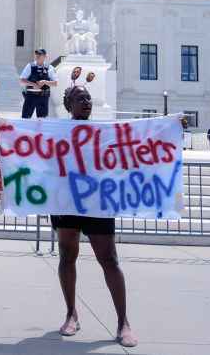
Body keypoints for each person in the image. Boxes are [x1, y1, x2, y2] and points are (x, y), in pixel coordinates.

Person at [51, 85, 137, 348]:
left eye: (88, 98)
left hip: (98, 201)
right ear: (68, 105)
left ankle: (123, 322)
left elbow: (136, 144)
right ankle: (71, 314)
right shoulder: (55, 133)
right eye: (79, 98)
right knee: (67, 256)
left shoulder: (105, 132)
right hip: (66, 201)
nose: (86, 102)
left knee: (109, 259)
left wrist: (171, 127)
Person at [19, 49, 57, 118]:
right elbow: (22, 80)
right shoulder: (30, 66)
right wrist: (33, 84)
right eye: (36, 54)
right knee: (25, 118)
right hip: (30, 96)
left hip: (43, 97)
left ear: (45, 56)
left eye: (40, 54)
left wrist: (45, 82)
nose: (37, 56)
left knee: (42, 120)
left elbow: (55, 83)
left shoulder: (49, 68)